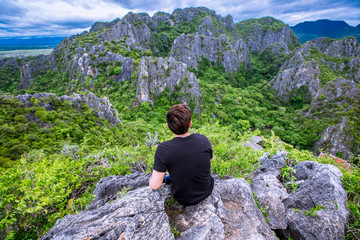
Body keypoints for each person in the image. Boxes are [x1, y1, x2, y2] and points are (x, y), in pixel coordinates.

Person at [149, 104, 214, 206]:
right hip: (206, 191)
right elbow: (206, 162)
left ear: (168, 126)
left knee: (167, 178)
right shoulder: (203, 139)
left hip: (183, 198)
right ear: (190, 124)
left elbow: (155, 185)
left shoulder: (163, 149)